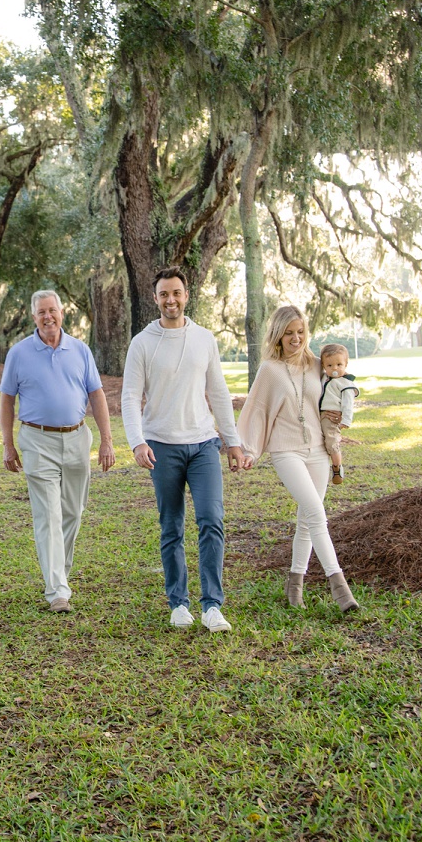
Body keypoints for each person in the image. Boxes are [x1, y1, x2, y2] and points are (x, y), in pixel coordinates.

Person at [121, 267, 250, 634]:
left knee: (212, 520)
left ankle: (212, 606)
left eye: (176, 293)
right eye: (164, 294)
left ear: (186, 294)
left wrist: (233, 441)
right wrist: (137, 440)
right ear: (155, 298)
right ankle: (178, 603)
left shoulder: (204, 339)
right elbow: (130, 397)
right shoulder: (142, 343)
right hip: (162, 446)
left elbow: (219, 392)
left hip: (203, 443)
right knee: (171, 526)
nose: (171, 300)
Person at [0, 290, 115, 612]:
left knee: (73, 512)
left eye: (52, 310)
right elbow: (7, 400)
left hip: (77, 438)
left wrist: (107, 440)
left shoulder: (80, 350)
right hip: (37, 441)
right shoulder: (19, 353)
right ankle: (57, 590)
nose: (47, 317)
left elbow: (97, 395)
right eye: (41, 313)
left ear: (62, 313)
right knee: (48, 514)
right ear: (33, 317)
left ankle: (58, 573)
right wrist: (8, 444)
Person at [237, 306, 359, 613]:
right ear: (278, 335)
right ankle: (340, 588)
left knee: (307, 520)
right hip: (285, 450)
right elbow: (257, 410)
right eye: (289, 333)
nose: (296, 338)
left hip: (318, 450)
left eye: (301, 332)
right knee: (317, 513)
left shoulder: (318, 365)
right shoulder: (270, 369)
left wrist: (342, 415)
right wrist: (248, 450)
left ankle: (295, 586)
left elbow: (339, 391)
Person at [317, 342, 359, 485]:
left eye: (339, 365)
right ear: (324, 366)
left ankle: (337, 467)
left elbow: (348, 404)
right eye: (329, 366)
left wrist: (346, 420)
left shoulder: (346, 384)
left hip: (331, 417)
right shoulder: (324, 378)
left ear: (345, 364)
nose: (334, 368)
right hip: (318, 414)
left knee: (331, 440)